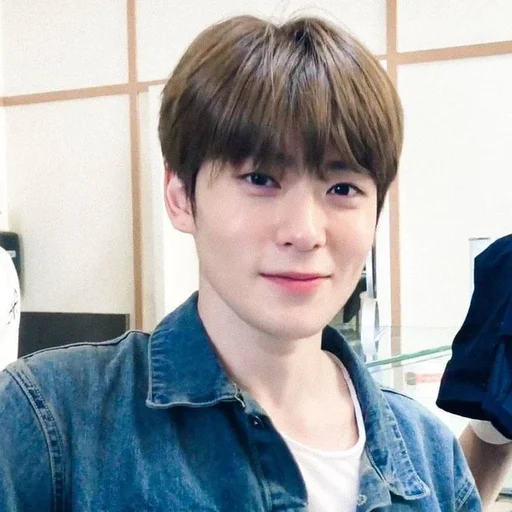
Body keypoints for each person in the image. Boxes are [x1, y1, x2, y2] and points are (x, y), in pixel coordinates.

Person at [0, 14, 504, 511]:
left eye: (342, 188)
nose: (305, 232)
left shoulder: (430, 456)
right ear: (180, 196)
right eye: (261, 179)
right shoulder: (51, 421)